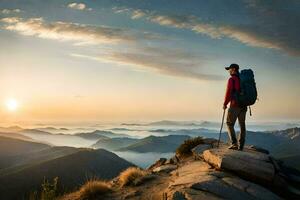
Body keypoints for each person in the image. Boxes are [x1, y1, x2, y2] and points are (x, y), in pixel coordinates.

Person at [223, 63, 247, 150]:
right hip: (244, 105)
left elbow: (229, 92)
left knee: (229, 123)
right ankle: (241, 146)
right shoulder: (243, 79)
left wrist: (225, 103)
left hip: (235, 105)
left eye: (229, 69)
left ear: (233, 69)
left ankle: (234, 144)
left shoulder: (232, 79)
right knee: (242, 125)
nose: (229, 71)